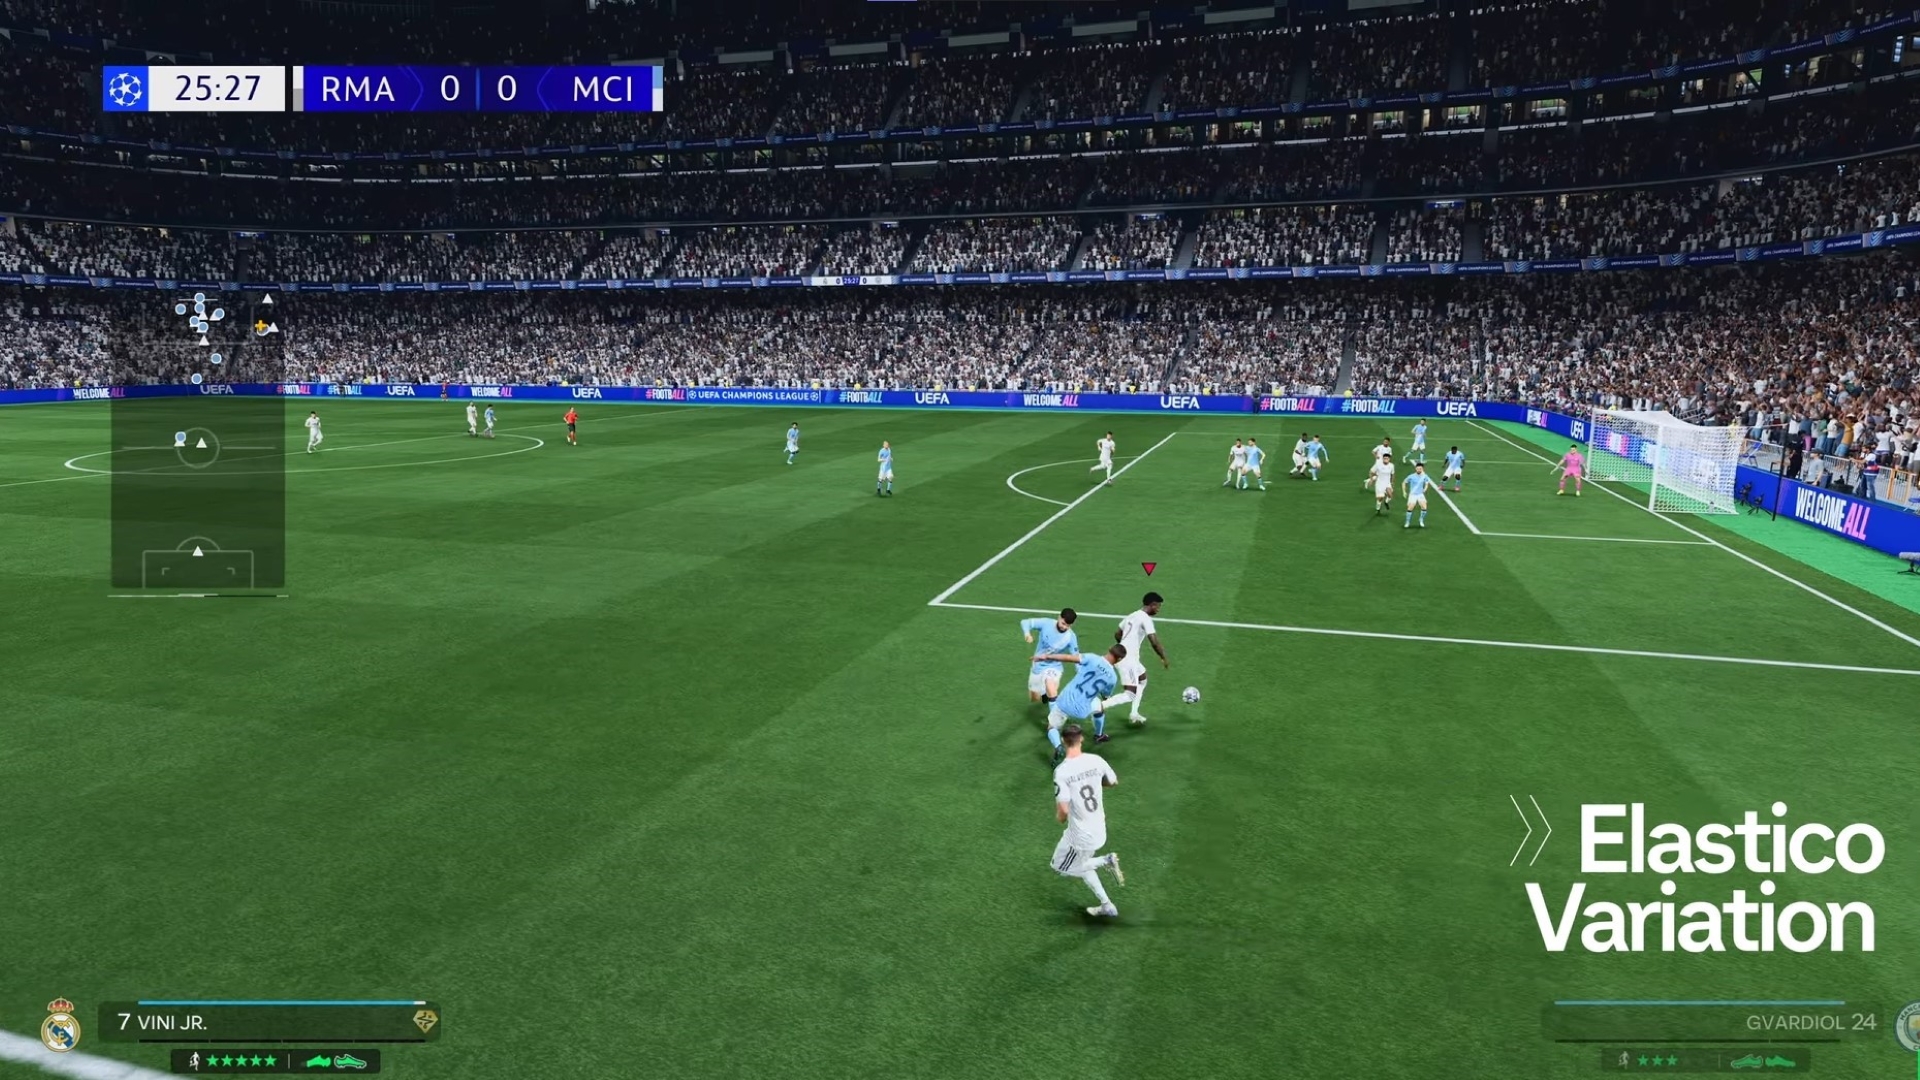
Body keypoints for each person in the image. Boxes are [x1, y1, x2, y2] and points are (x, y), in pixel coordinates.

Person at [1050, 724, 1124, 918]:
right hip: (1100, 829)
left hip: (1080, 836)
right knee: (1081, 864)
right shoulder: (1096, 760)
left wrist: (1060, 818)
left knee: (1060, 865)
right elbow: (1113, 781)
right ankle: (1107, 905)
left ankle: (1105, 860)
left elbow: (1063, 810)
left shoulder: (1062, 771)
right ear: (1081, 739)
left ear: (1064, 741)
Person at [1047, 644, 1126, 762]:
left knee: (1051, 727)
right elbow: (1105, 696)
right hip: (1082, 710)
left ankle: (1058, 746)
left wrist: (1047, 656)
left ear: (1109, 648)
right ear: (1119, 659)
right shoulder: (1113, 678)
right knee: (1100, 708)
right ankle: (1099, 735)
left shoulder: (1092, 658)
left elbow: (1070, 658)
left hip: (1065, 702)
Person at [1108, 592, 1167, 727]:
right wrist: (1163, 657)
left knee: (1142, 679)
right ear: (1152, 605)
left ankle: (1134, 713)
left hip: (1129, 657)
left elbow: (1117, 633)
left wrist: (1124, 646)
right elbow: (1154, 642)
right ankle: (1100, 706)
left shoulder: (1132, 615)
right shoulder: (1146, 619)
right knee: (1130, 694)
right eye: (1158, 606)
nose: (1158, 609)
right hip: (1128, 660)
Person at [1021, 609, 1080, 705]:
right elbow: (1025, 622)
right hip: (1038, 665)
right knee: (1034, 698)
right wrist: (1027, 634)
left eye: (1068, 625)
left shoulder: (1071, 637)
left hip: (1054, 666)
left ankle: (1054, 713)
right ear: (1059, 617)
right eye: (1063, 623)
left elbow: (1076, 656)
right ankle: (1044, 692)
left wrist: (1079, 671)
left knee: (1051, 688)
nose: (1064, 627)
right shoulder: (1046, 623)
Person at [1403, 462, 1435, 529]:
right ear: (1415, 468)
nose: (1419, 470)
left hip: (1420, 494)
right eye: (1418, 468)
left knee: (1424, 507)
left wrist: (1425, 489)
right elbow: (1404, 482)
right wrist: (1404, 492)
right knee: (1410, 508)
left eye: (1420, 469)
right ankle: (1407, 522)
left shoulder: (1424, 476)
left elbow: (1426, 483)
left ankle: (1421, 519)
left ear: (1422, 469)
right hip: (1413, 494)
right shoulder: (1411, 476)